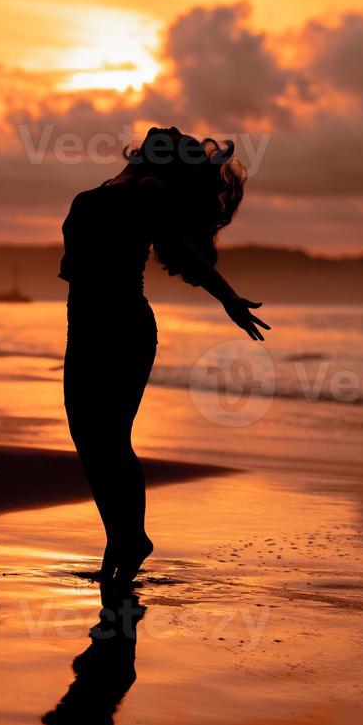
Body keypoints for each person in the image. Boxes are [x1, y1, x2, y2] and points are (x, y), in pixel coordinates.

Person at [59, 126, 270, 587]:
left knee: (110, 439)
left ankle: (130, 540)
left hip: (121, 329)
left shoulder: (148, 189)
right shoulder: (110, 188)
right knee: (88, 439)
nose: (169, 127)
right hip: (85, 330)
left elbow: (180, 251)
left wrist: (228, 298)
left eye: (176, 134)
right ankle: (121, 538)